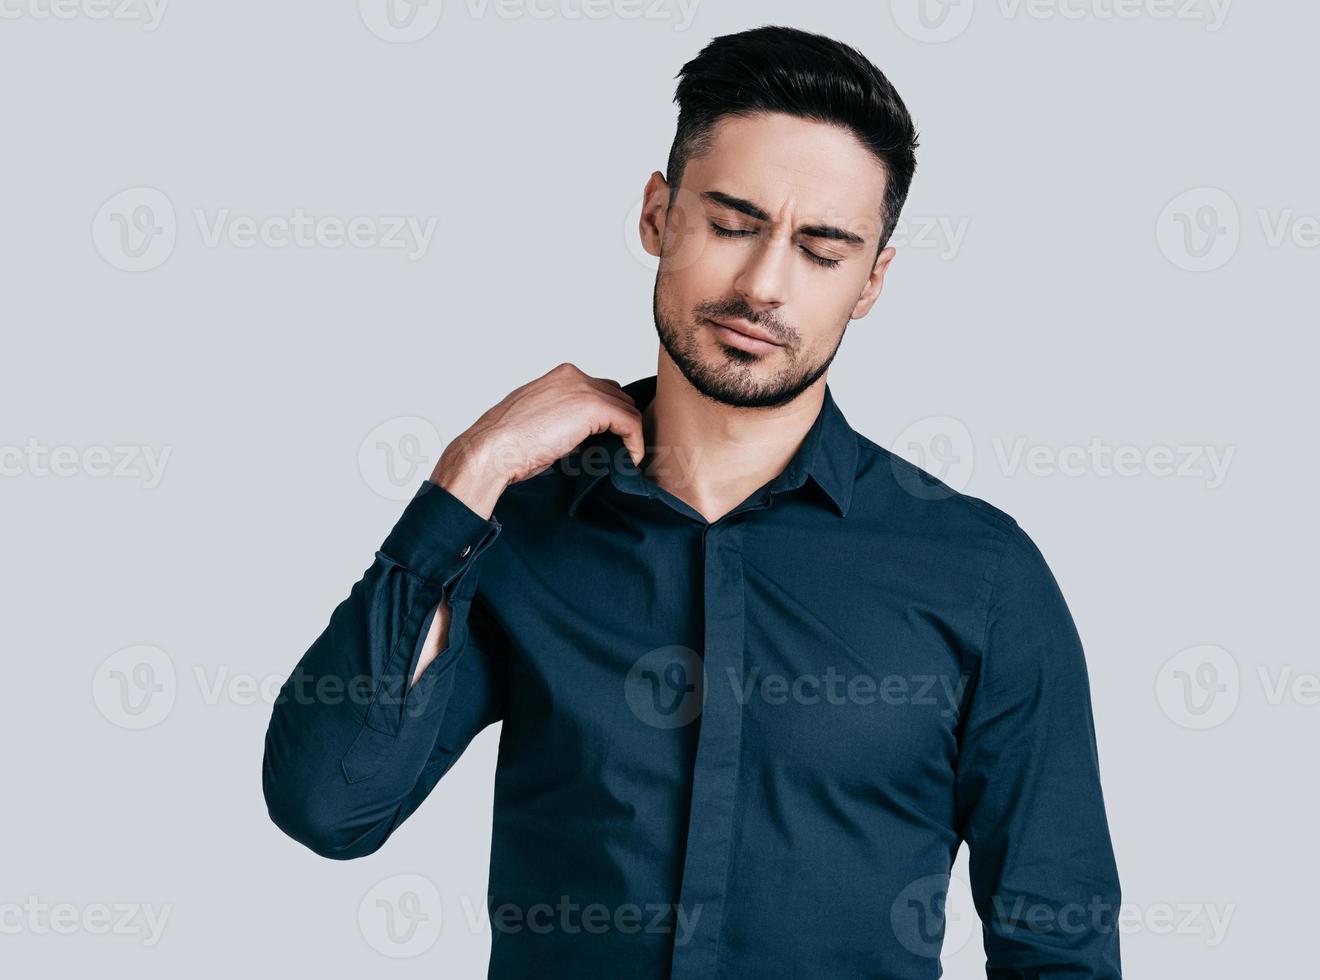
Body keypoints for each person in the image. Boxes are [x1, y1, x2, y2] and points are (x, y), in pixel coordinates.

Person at [262, 24, 1122, 979]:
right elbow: (328, 807)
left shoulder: (980, 575)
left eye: (821, 250)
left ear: (872, 281)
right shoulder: (520, 526)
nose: (762, 285)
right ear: (657, 216)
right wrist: (469, 470)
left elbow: (1057, 944)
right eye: (730, 224)